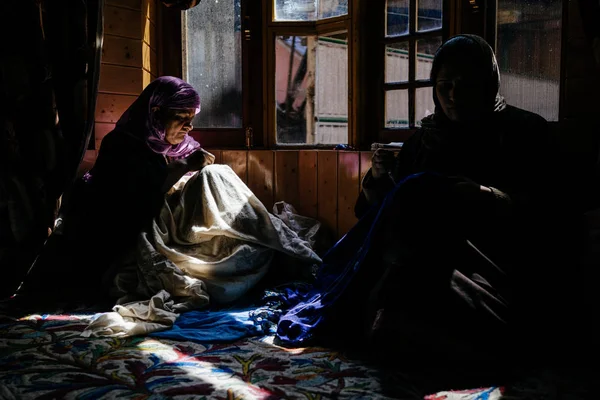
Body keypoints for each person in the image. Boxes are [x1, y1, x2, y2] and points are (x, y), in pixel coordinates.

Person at [277, 35, 581, 370]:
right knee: (412, 208)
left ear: (489, 84)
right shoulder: (425, 140)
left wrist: (483, 196)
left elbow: (551, 215)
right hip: (416, 257)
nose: (453, 96)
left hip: (488, 261)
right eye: (444, 85)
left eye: (466, 85)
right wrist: (378, 180)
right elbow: (378, 219)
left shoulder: (524, 132)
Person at [11, 76, 215, 306]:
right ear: (156, 113)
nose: (189, 127)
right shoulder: (121, 144)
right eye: (181, 118)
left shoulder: (164, 144)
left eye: (191, 119)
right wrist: (183, 167)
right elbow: (135, 206)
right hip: (102, 240)